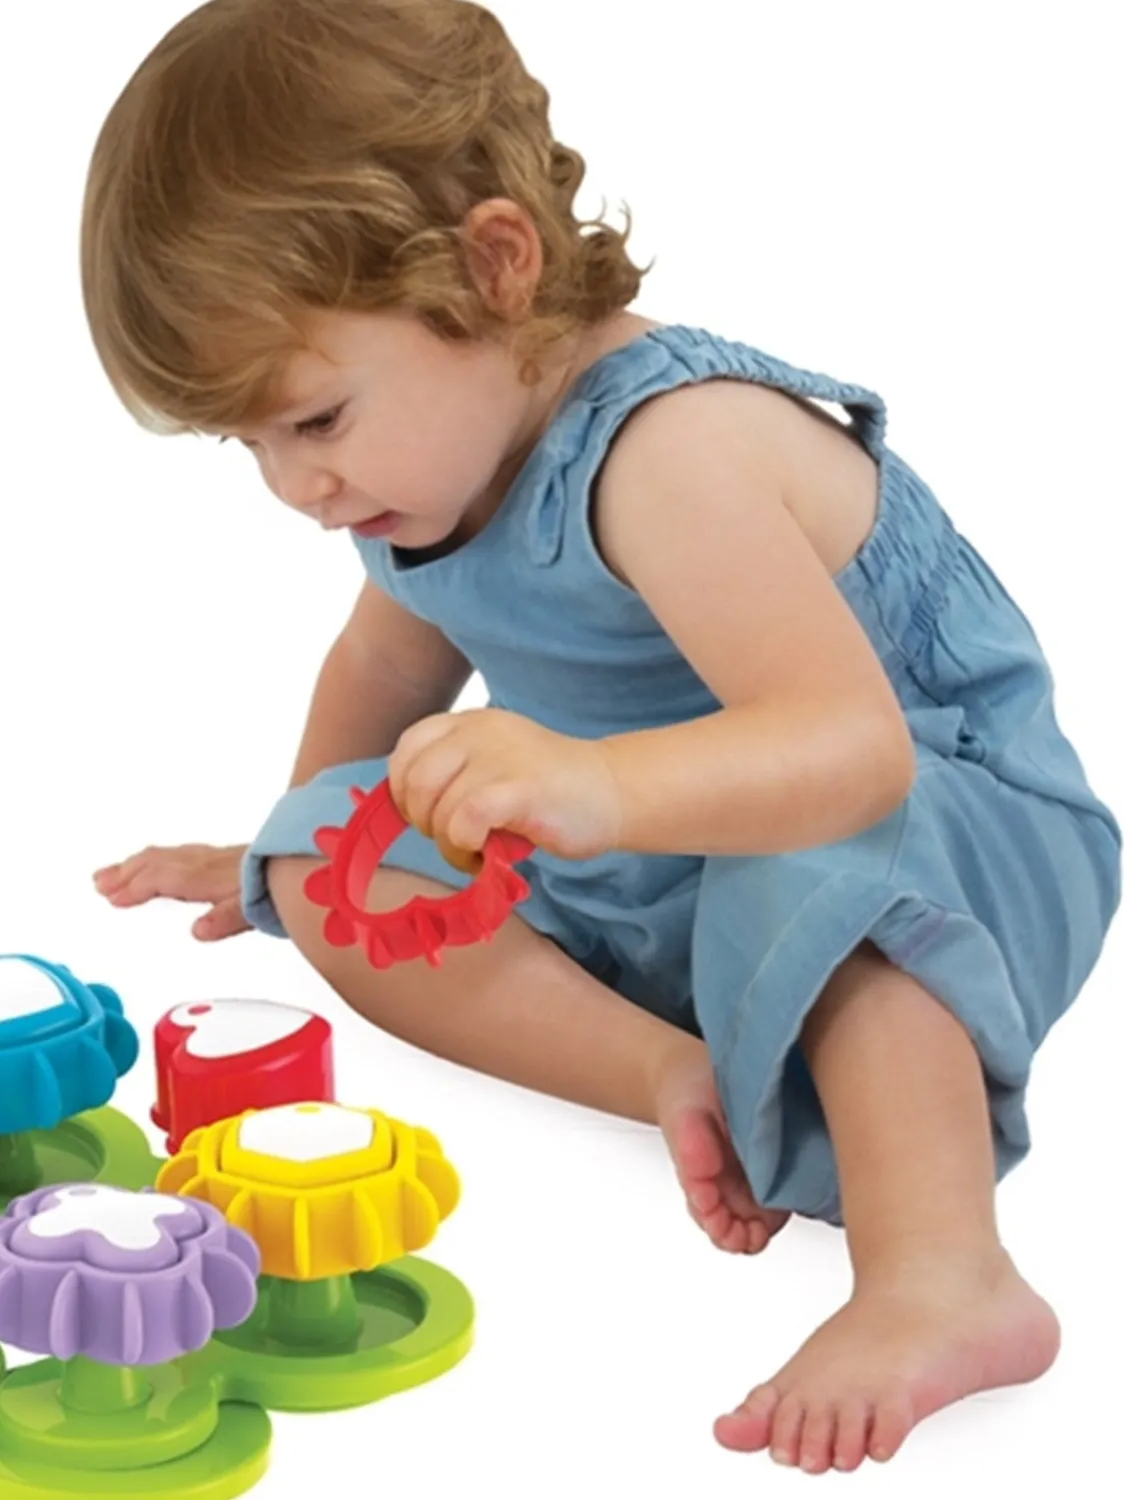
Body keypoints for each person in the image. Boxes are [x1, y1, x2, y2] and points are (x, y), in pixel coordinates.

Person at [81, 0, 1119, 1474]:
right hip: (668, 849)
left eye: (313, 419)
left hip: (937, 830)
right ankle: (668, 1072)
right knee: (320, 865)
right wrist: (280, 839)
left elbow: (855, 753)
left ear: (494, 267)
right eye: (247, 445)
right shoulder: (428, 475)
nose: (293, 487)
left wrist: (591, 781)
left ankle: (944, 1271)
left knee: (818, 869)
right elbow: (388, 656)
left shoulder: (669, 451)